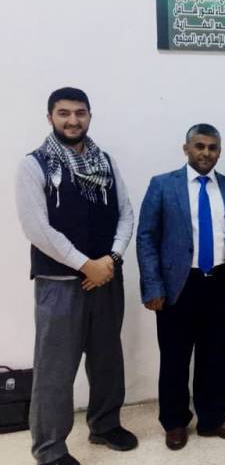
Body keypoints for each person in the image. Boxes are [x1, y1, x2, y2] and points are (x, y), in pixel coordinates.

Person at [15, 87, 138, 465]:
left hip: (107, 278)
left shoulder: (106, 161)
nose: (73, 120)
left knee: (107, 359)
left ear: (89, 116)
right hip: (60, 285)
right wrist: (86, 265)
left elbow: (126, 213)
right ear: (50, 117)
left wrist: (111, 259)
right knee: (55, 369)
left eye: (80, 113)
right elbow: (37, 228)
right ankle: (50, 449)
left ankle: (104, 425)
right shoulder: (34, 165)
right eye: (64, 113)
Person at [136, 123, 225, 449]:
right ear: (186, 148)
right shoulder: (162, 185)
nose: (206, 153)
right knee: (174, 357)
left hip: (218, 281)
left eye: (212, 147)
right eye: (199, 146)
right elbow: (146, 237)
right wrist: (152, 286)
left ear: (219, 152)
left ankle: (212, 419)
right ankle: (174, 422)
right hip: (178, 285)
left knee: (215, 355)